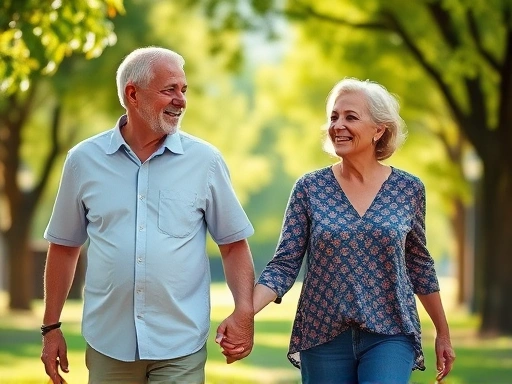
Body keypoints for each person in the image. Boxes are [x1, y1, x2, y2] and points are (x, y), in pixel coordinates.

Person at [40, 46, 255, 384]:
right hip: (108, 343)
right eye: (169, 89)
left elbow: (233, 245)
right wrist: (51, 327)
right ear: (132, 94)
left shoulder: (206, 161)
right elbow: (64, 248)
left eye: (184, 90)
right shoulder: (83, 160)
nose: (181, 100)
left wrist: (244, 310)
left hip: (180, 343)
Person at [253, 78, 456, 384]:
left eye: (351, 117)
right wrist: (245, 313)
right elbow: (284, 265)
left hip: (391, 332)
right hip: (322, 335)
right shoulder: (309, 188)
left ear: (379, 129)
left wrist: (443, 332)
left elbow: (419, 264)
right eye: (334, 117)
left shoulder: (408, 189)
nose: (338, 125)